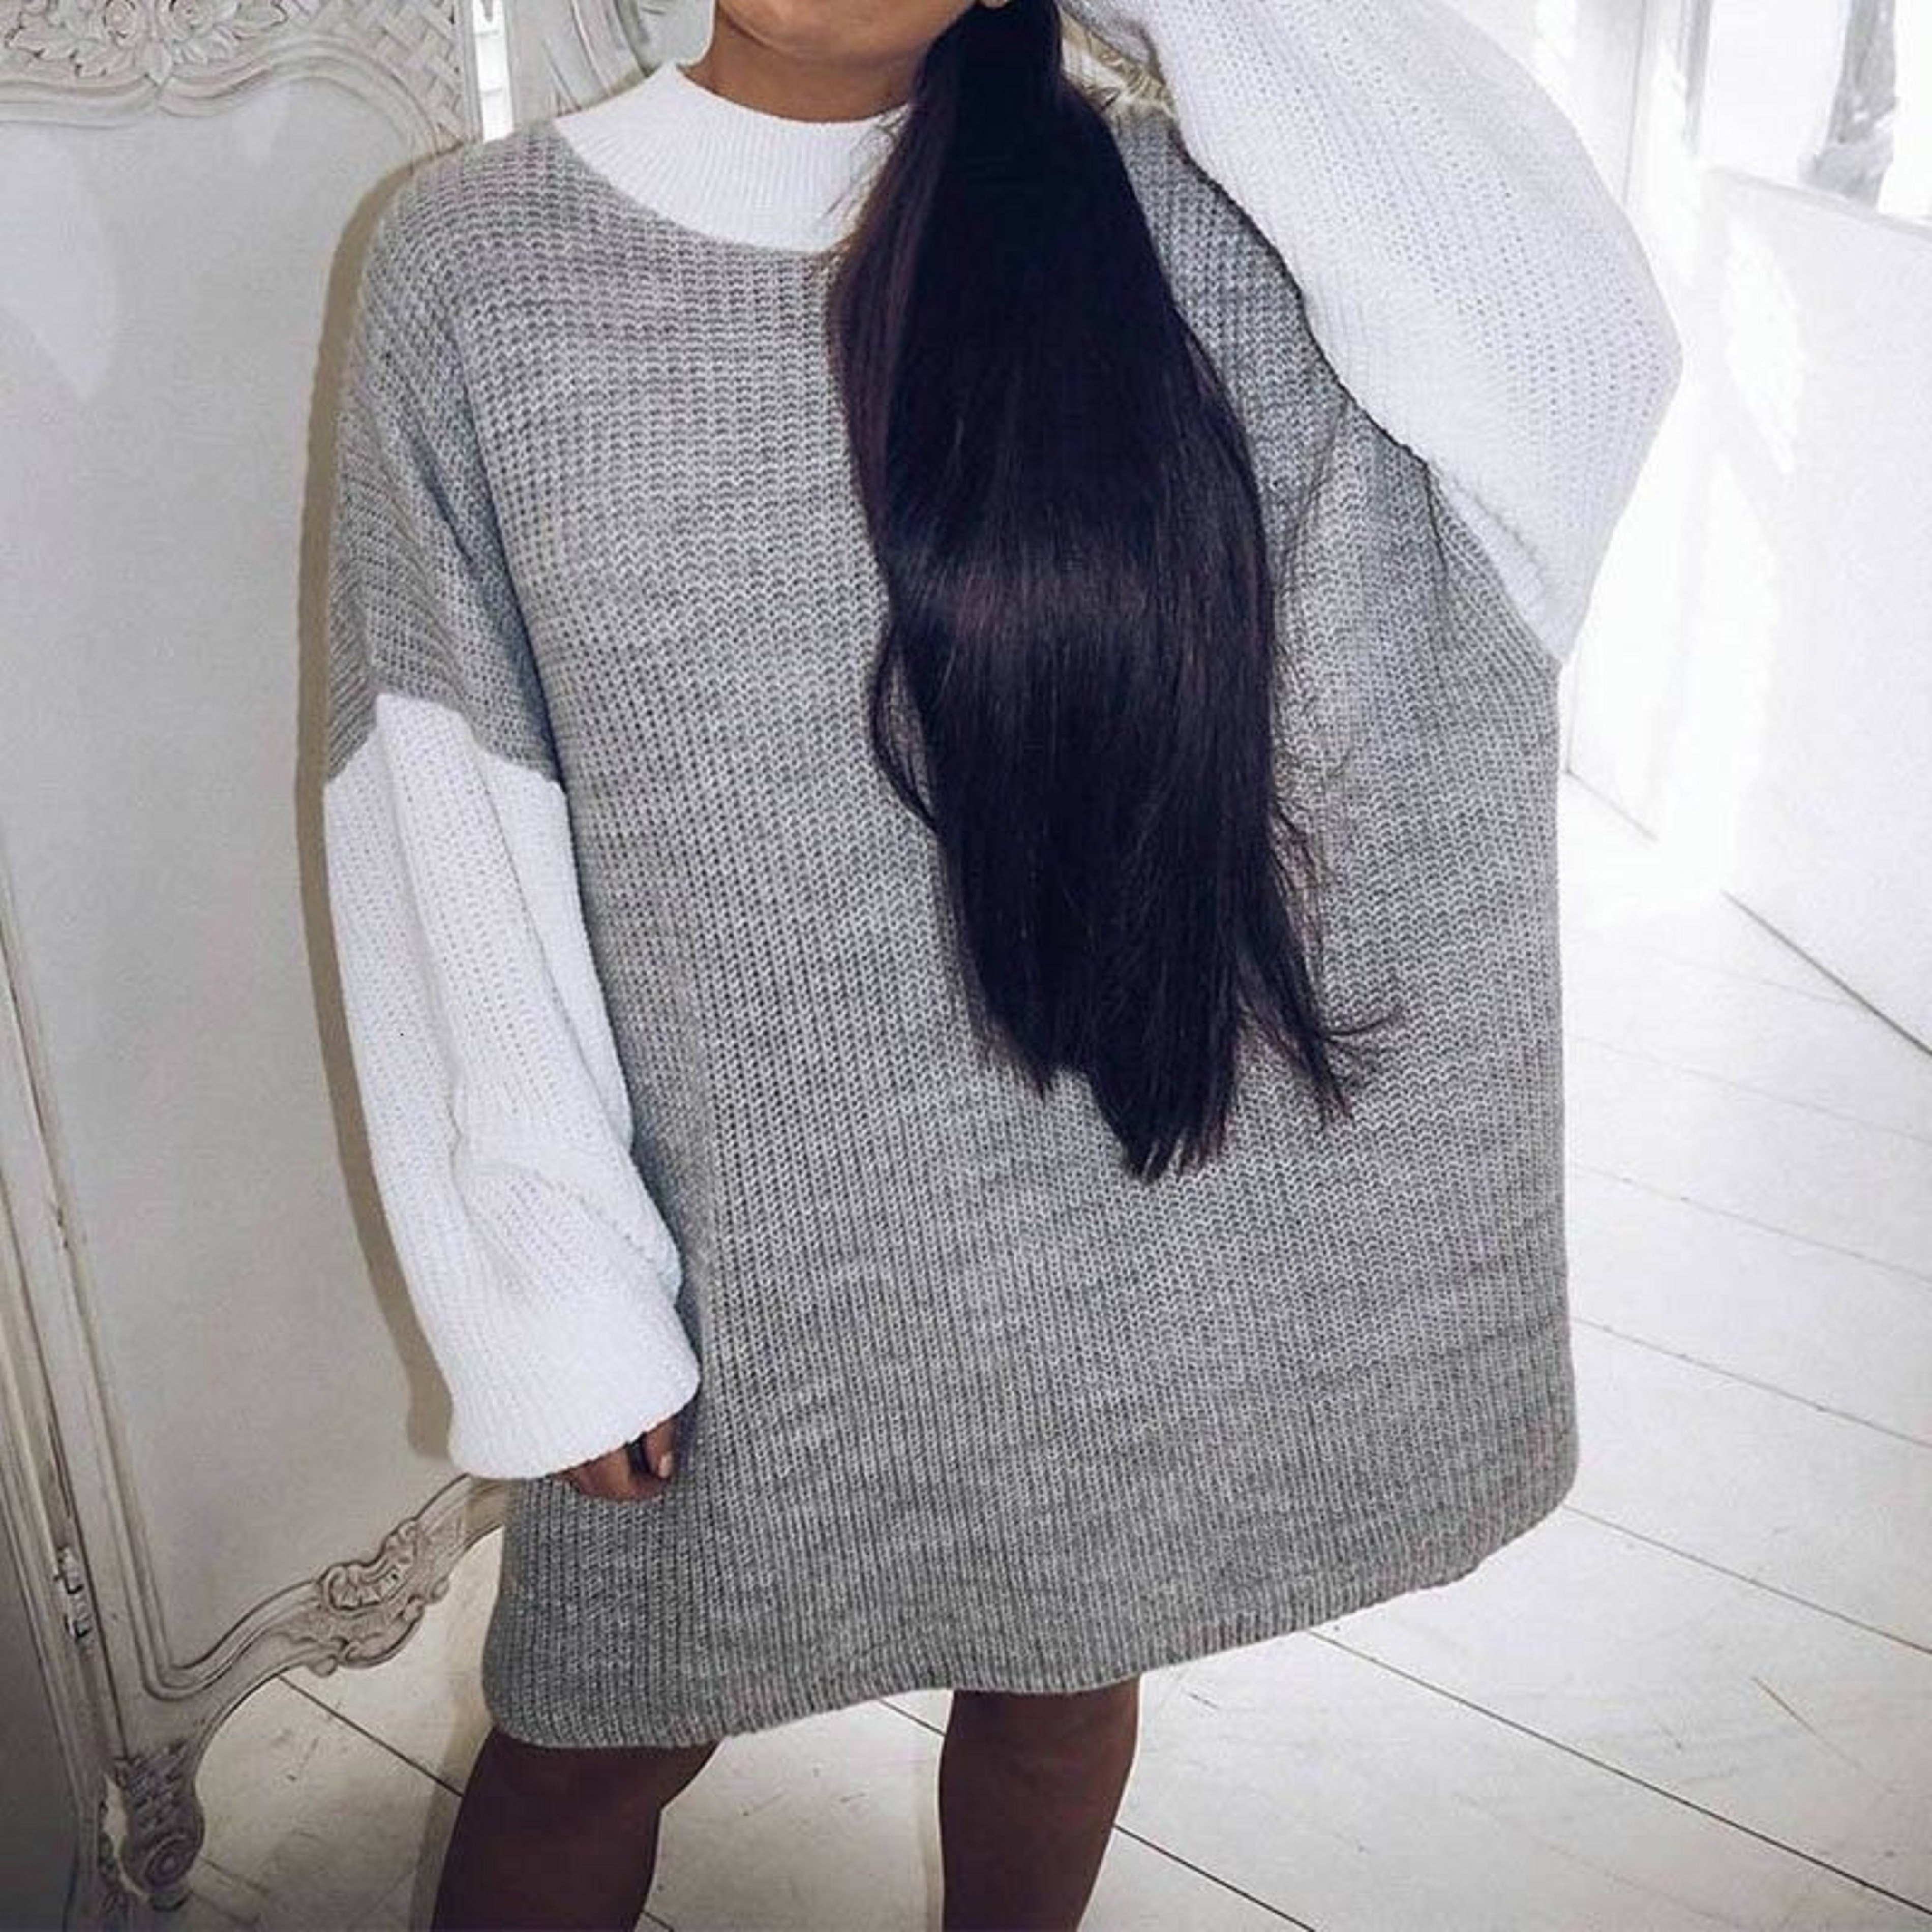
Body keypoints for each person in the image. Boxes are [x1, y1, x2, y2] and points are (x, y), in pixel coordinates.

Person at [318, 0, 1680, 1923]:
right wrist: (551, 1287)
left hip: (1111, 1223)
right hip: (735, 1245)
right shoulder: (476, 263)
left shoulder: (1202, 220)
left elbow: (1572, 352)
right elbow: (440, 798)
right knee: (585, 1741)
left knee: (1054, 1690)